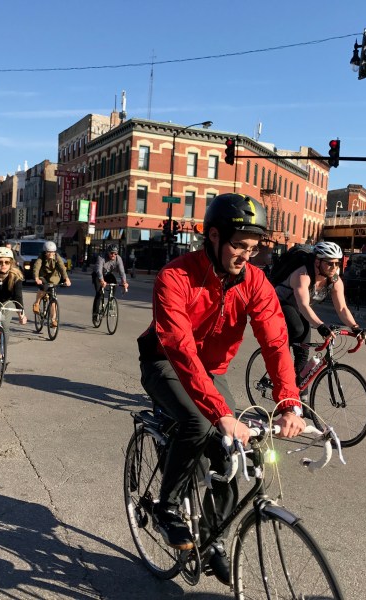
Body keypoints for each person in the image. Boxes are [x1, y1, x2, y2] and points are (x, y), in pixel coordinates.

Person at [137, 193, 306, 584]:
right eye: (238, 246)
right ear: (213, 236)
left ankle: (213, 538)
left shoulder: (256, 282)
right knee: (200, 424)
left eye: (253, 247)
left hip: (209, 370)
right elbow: (179, 348)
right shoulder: (175, 277)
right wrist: (221, 414)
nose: (247, 255)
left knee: (233, 453)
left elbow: (276, 342)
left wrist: (289, 402)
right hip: (163, 361)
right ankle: (167, 506)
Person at [274, 241, 366, 386]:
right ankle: (280, 369)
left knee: (303, 353)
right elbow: (304, 306)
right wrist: (321, 326)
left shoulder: (334, 279)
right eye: (329, 263)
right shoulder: (302, 275)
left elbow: (342, 308)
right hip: (280, 302)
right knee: (298, 329)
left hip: (298, 307)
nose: (334, 267)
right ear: (317, 261)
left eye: (337, 263)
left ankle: (300, 395)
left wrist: (355, 327)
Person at [33, 241, 71, 327]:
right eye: (49, 252)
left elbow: (62, 268)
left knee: (53, 300)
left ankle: (53, 320)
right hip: (43, 276)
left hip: (54, 277)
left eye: (53, 252)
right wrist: (36, 278)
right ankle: (37, 303)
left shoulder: (57, 257)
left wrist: (67, 279)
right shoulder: (41, 257)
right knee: (43, 288)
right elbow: (36, 267)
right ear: (45, 252)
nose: (51, 254)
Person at [92, 244, 128, 318]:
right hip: (97, 275)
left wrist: (124, 282)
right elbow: (99, 270)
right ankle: (95, 314)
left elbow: (122, 272)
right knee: (99, 293)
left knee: (114, 283)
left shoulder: (118, 259)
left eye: (115, 253)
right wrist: (101, 280)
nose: (113, 255)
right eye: (111, 253)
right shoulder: (101, 257)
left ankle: (111, 300)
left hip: (107, 274)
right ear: (108, 252)